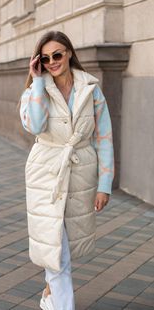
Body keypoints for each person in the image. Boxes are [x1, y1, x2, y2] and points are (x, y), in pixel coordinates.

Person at [19, 31, 114, 310]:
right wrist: (37, 83)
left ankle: (50, 294)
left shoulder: (91, 89)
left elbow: (104, 138)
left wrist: (104, 184)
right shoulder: (33, 91)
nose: (52, 62)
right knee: (54, 246)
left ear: (69, 53)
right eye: (45, 58)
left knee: (66, 244)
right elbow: (35, 127)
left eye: (57, 55)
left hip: (80, 170)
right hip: (45, 173)